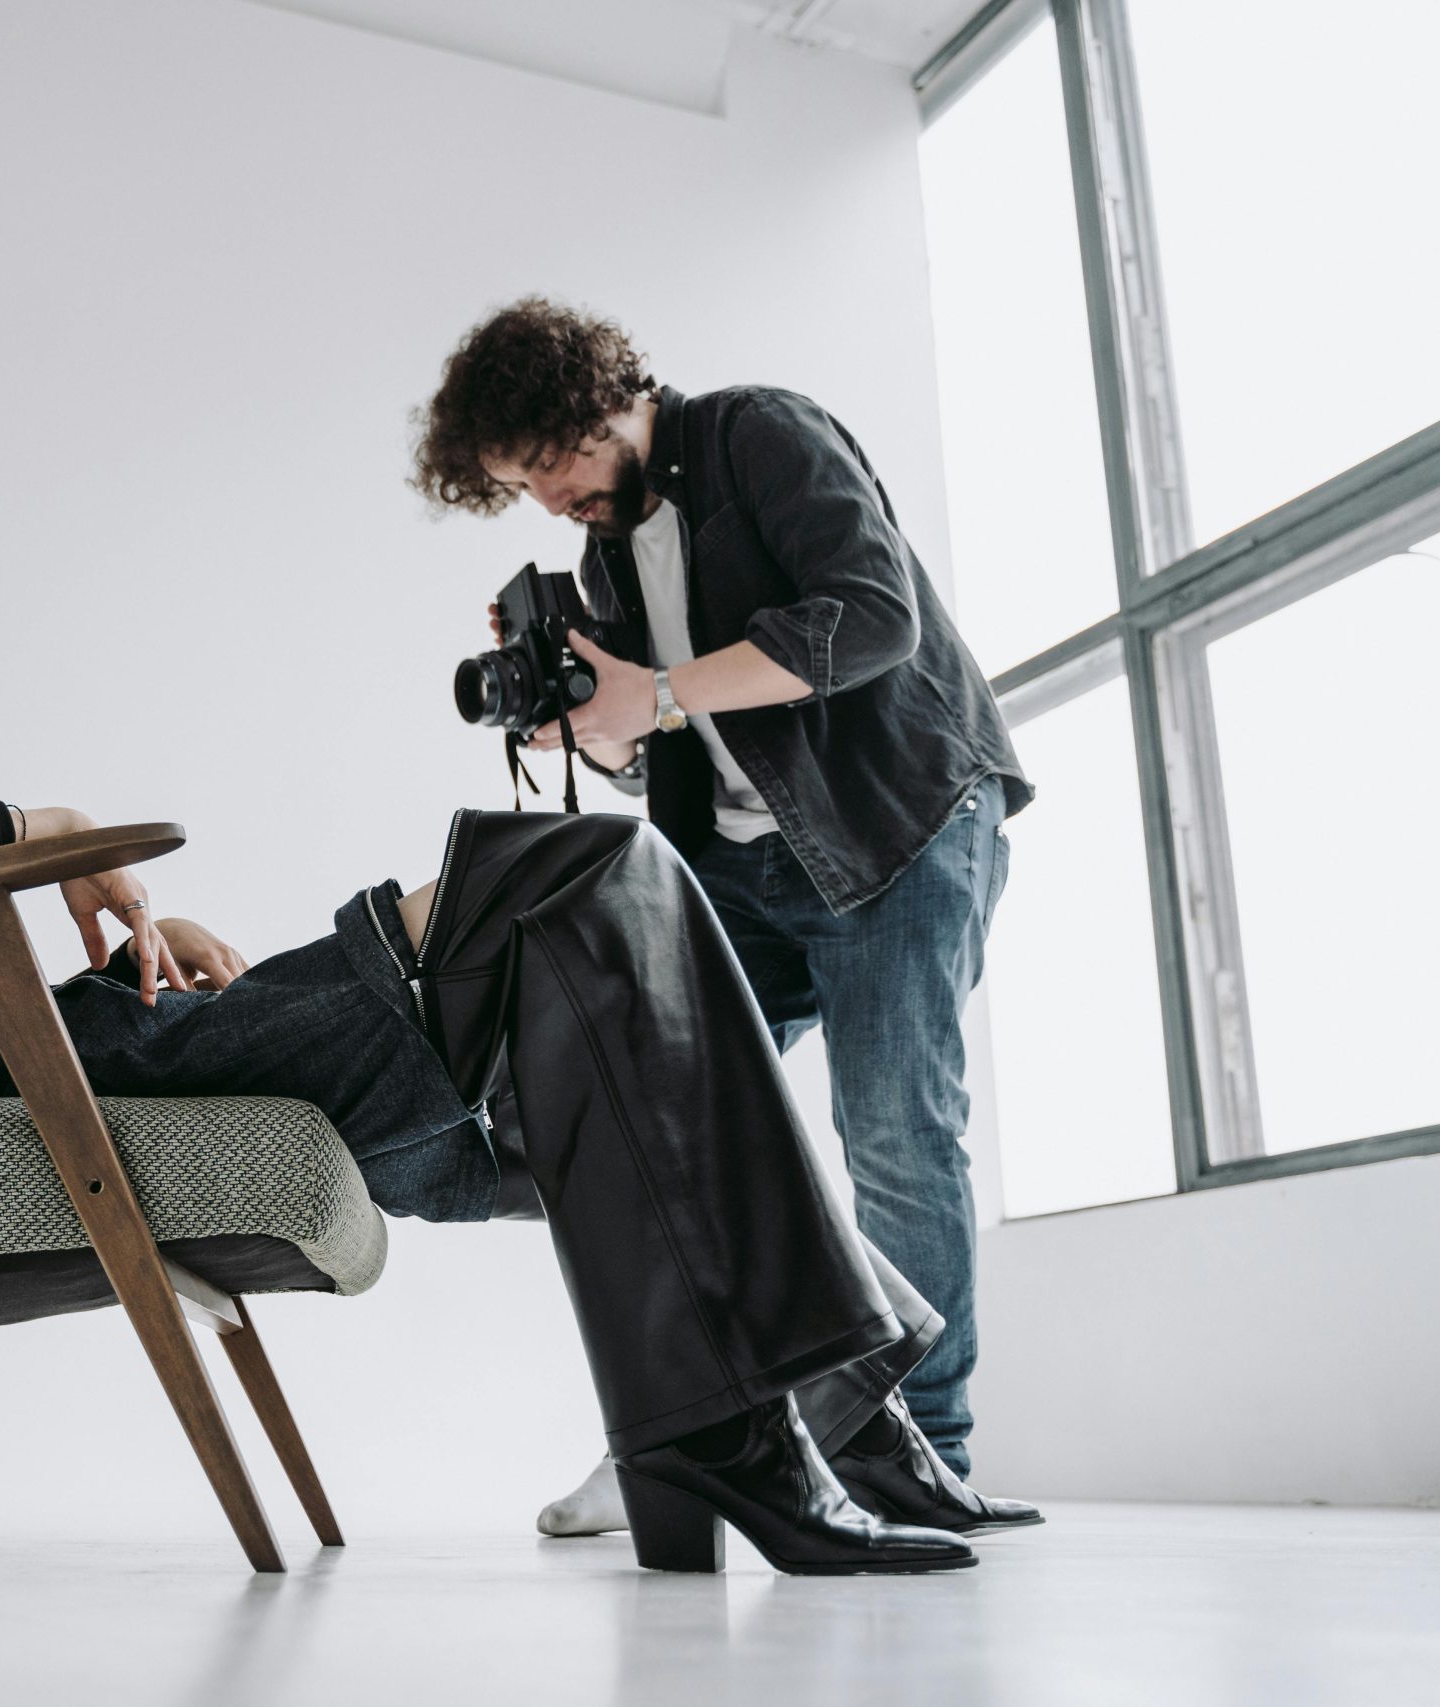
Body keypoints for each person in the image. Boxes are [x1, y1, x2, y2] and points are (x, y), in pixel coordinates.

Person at [0, 593, 1037, 1574]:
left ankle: (731, 1441)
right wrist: (37, 827)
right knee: (588, 868)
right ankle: (816, 1417)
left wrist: (139, 939)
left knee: (606, 1080)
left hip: (112, 1048)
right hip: (101, 1082)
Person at [412, 299, 1033, 1530]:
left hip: (890, 829)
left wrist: (658, 691)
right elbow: (675, 748)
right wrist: (594, 718)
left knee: (894, 1135)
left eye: (551, 463)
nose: (548, 498)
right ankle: (691, 1432)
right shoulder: (600, 563)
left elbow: (872, 616)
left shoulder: (761, 438)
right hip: (740, 871)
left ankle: (920, 1450)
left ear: (597, 403)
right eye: (518, 487)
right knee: (659, 1138)